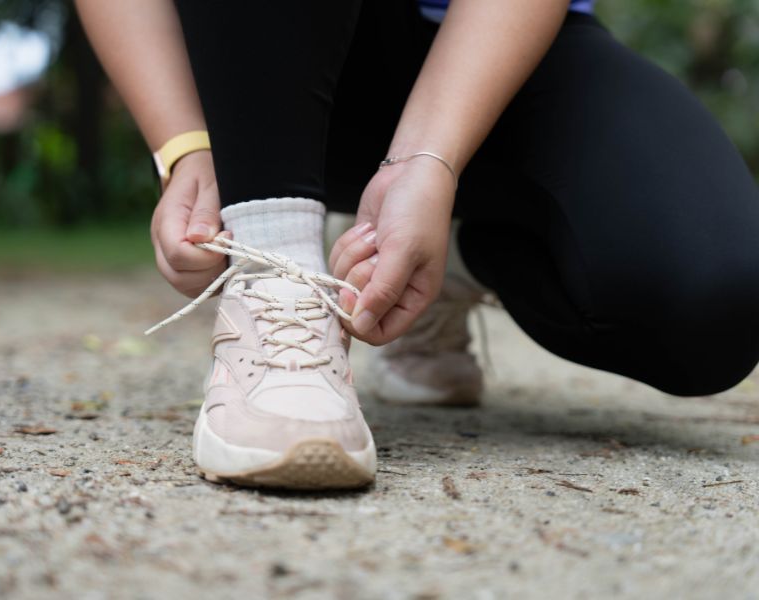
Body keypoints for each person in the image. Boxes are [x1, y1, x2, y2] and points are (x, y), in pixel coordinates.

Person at [76, 0, 759, 490]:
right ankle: (280, 272)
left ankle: (435, 262)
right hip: (267, 60)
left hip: (502, 45)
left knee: (713, 303)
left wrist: (428, 161)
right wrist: (187, 147)